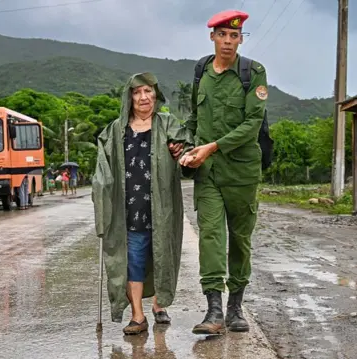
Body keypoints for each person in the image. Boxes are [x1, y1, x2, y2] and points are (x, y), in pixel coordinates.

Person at [173, 9, 268, 335]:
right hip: (209, 173)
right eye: (222, 35)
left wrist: (212, 146)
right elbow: (195, 122)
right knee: (211, 237)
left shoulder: (253, 72)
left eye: (234, 36)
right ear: (212, 36)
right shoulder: (201, 71)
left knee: (240, 240)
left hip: (241, 172)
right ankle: (213, 309)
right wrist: (185, 147)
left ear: (241, 38)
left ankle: (235, 307)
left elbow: (252, 124)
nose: (228, 42)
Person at [92, 72, 193, 335]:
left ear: (156, 95)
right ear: (129, 98)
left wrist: (181, 150)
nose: (143, 97)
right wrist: (101, 194)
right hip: (129, 211)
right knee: (133, 261)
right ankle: (137, 316)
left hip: (162, 208)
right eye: (137, 92)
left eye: (147, 91)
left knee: (161, 257)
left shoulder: (168, 123)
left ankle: (159, 303)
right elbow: (101, 166)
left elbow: (189, 148)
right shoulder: (116, 130)